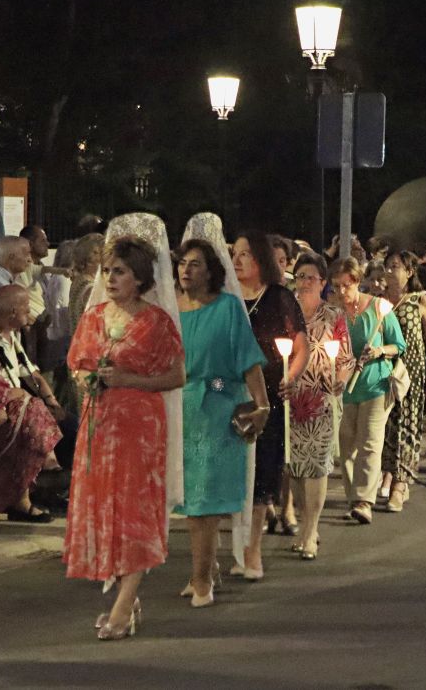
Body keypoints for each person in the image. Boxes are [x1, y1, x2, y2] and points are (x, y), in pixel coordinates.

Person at [65, 236, 185, 639]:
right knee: (106, 511)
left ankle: (121, 605)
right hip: (99, 426)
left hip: (140, 430)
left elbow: (176, 376)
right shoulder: (93, 317)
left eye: (119, 271)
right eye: (107, 271)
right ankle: (127, 598)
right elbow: (77, 365)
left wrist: (131, 379)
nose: (110, 278)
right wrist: (86, 379)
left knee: (134, 514)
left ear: (139, 278)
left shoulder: (157, 322)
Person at [175, 238, 269, 606]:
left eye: (195, 263)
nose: (186, 269)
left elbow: (247, 360)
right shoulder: (172, 310)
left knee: (206, 504)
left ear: (212, 270)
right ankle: (205, 568)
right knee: (191, 502)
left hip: (219, 404)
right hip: (183, 410)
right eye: (182, 262)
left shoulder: (228, 308)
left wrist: (261, 404)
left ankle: (201, 580)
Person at [231, 231, 306, 576]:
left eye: (245, 253)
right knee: (233, 474)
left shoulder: (279, 298)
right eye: (235, 252)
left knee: (263, 470)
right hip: (229, 393)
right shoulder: (227, 298)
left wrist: (290, 375)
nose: (237, 259)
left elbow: (300, 344)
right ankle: (234, 546)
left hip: (269, 393)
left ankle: (253, 551)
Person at [286, 252, 354, 557]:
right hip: (291, 398)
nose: (304, 283)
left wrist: (340, 378)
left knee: (317, 467)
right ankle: (303, 523)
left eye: (310, 277)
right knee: (296, 468)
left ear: (322, 282)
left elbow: (345, 358)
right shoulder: (286, 315)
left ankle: (311, 530)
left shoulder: (333, 316)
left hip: (321, 399)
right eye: (300, 277)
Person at [0, 285, 63, 521]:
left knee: (67, 422)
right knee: (32, 409)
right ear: (14, 311)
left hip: (18, 401)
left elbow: (32, 373)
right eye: (27, 306)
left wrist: (53, 401)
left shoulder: (13, 337)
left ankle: (45, 489)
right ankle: (24, 500)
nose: (30, 311)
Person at [334, 257, 405, 523]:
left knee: (370, 441)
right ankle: (354, 497)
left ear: (357, 281)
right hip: (348, 387)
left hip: (377, 382)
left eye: (347, 285)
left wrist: (378, 351)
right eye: (337, 286)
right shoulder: (337, 313)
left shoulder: (379, 308)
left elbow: (398, 345)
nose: (342, 292)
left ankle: (364, 500)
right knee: (346, 441)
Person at [380, 249, 426, 512]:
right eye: (388, 265)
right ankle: (386, 475)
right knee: (384, 428)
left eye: (396, 266)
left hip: (411, 373)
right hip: (382, 372)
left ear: (410, 271)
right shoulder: (379, 301)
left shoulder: (419, 301)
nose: (391, 270)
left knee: (406, 424)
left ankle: (401, 484)